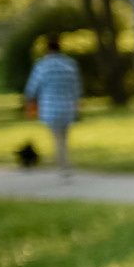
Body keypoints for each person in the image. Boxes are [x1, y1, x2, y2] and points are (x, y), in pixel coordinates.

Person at [21, 34, 83, 175]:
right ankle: (64, 162)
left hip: (50, 107)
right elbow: (77, 88)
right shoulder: (70, 64)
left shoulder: (42, 65)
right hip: (68, 106)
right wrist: (77, 105)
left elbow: (31, 88)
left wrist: (28, 104)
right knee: (64, 136)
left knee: (57, 136)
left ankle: (63, 164)